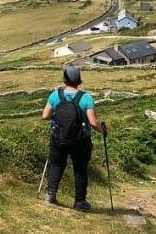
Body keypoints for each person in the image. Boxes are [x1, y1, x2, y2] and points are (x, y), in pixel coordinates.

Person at [41, 65, 106, 212]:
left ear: (64, 79)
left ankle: (50, 195)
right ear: (79, 80)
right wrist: (103, 131)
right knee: (80, 170)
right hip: (80, 140)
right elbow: (93, 122)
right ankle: (80, 202)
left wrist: (57, 116)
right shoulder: (86, 98)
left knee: (56, 164)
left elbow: (45, 116)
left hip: (58, 137)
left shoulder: (55, 95)